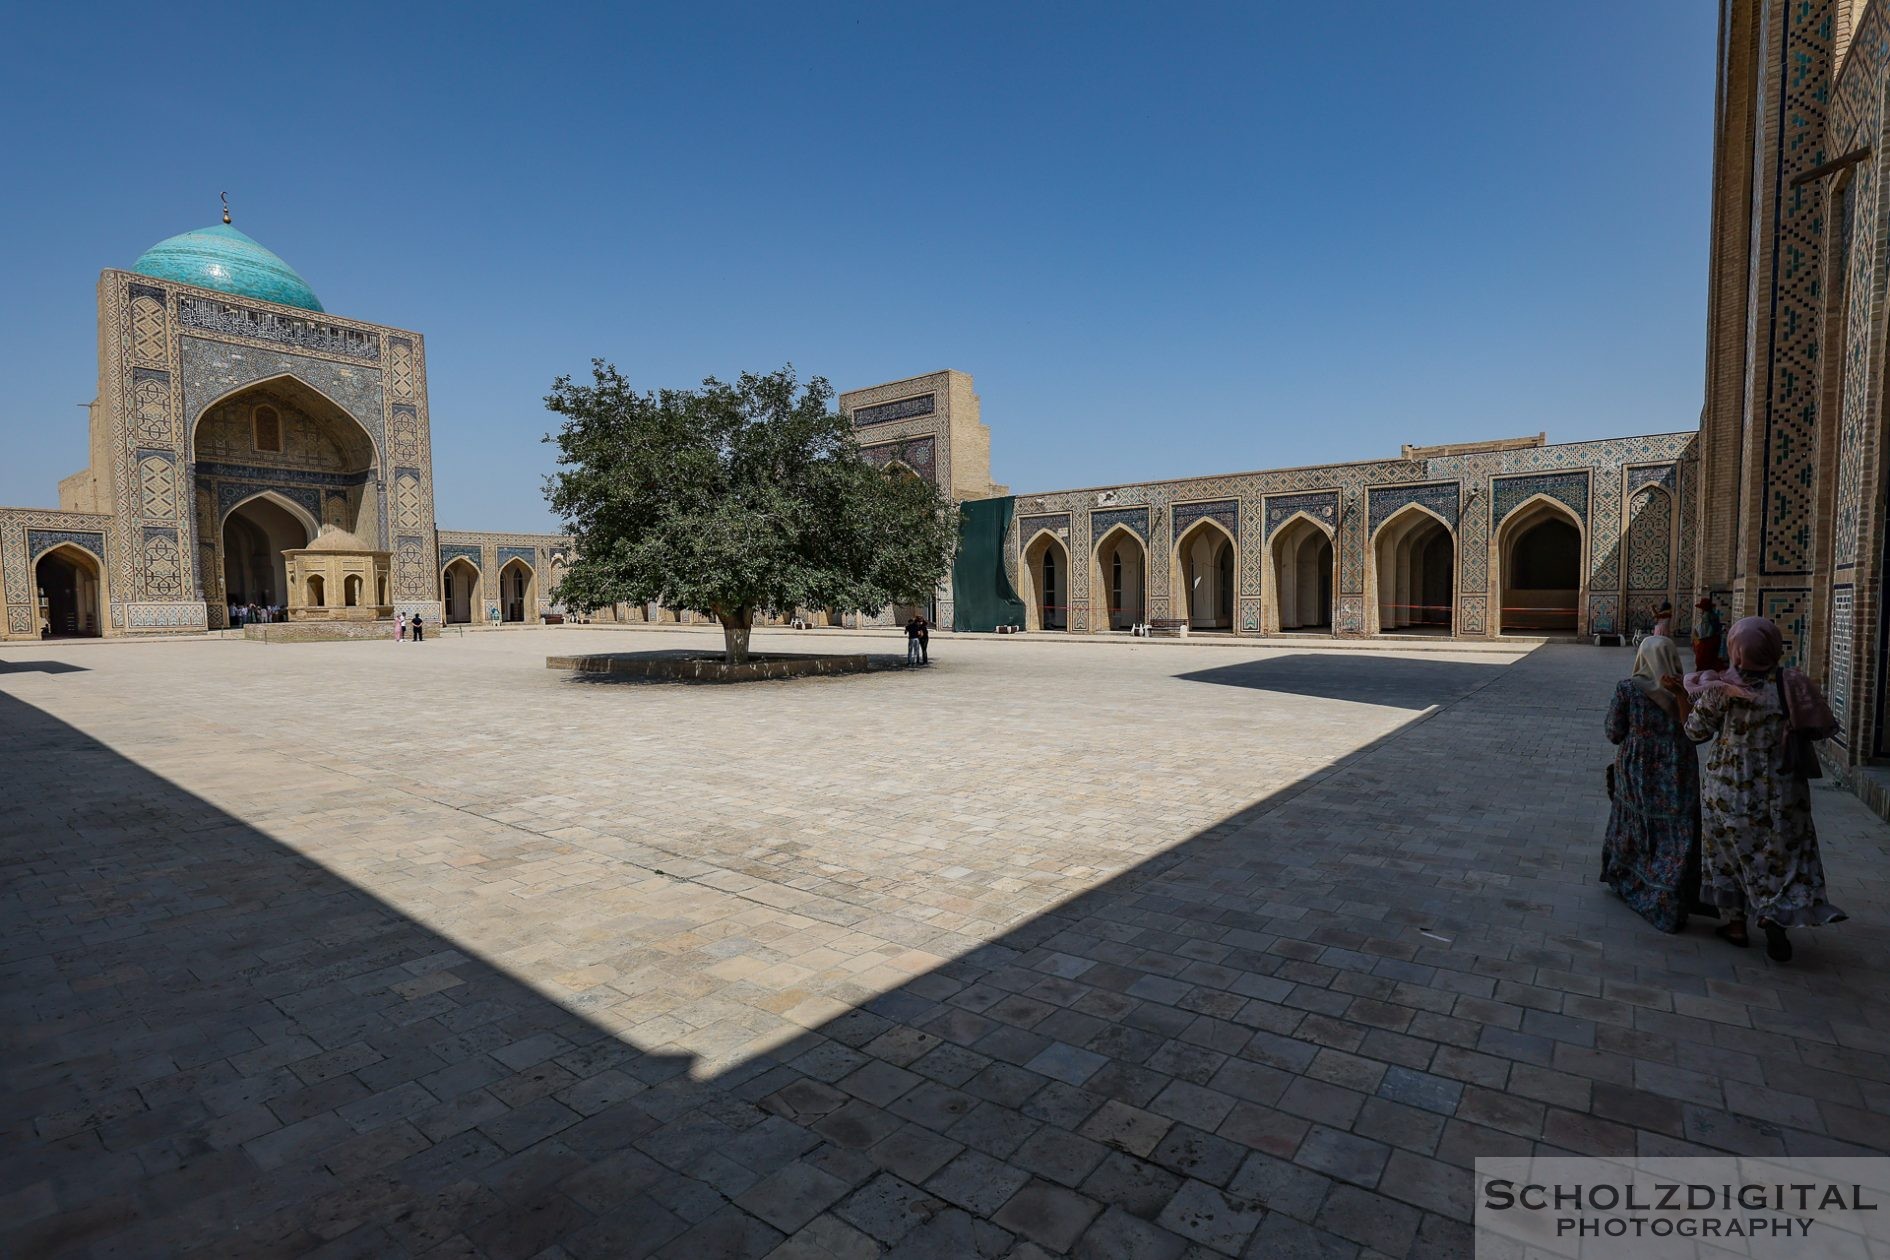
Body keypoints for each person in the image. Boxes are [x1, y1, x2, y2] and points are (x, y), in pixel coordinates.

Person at [1666, 617, 1846, 960]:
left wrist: (1680, 696)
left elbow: (1694, 732)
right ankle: (1774, 911)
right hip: (1782, 787)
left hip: (1729, 787)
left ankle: (1735, 925)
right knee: (1783, 854)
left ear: (1735, 649)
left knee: (1728, 853)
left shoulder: (1721, 689)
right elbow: (1817, 726)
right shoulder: (1790, 683)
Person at [1602, 636, 1705, 933]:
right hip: (1678, 769)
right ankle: (1670, 893)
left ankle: (1632, 881)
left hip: (1638, 768)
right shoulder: (1688, 692)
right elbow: (1697, 729)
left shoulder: (1629, 689)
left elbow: (1613, 731)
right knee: (1675, 830)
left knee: (1636, 822)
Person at [1691, 596, 1724, 671]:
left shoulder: (1706, 616)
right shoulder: (1713, 616)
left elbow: (1703, 632)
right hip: (1710, 642)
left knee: (1703, 663)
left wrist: (1697, 642)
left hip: (1705, 643)